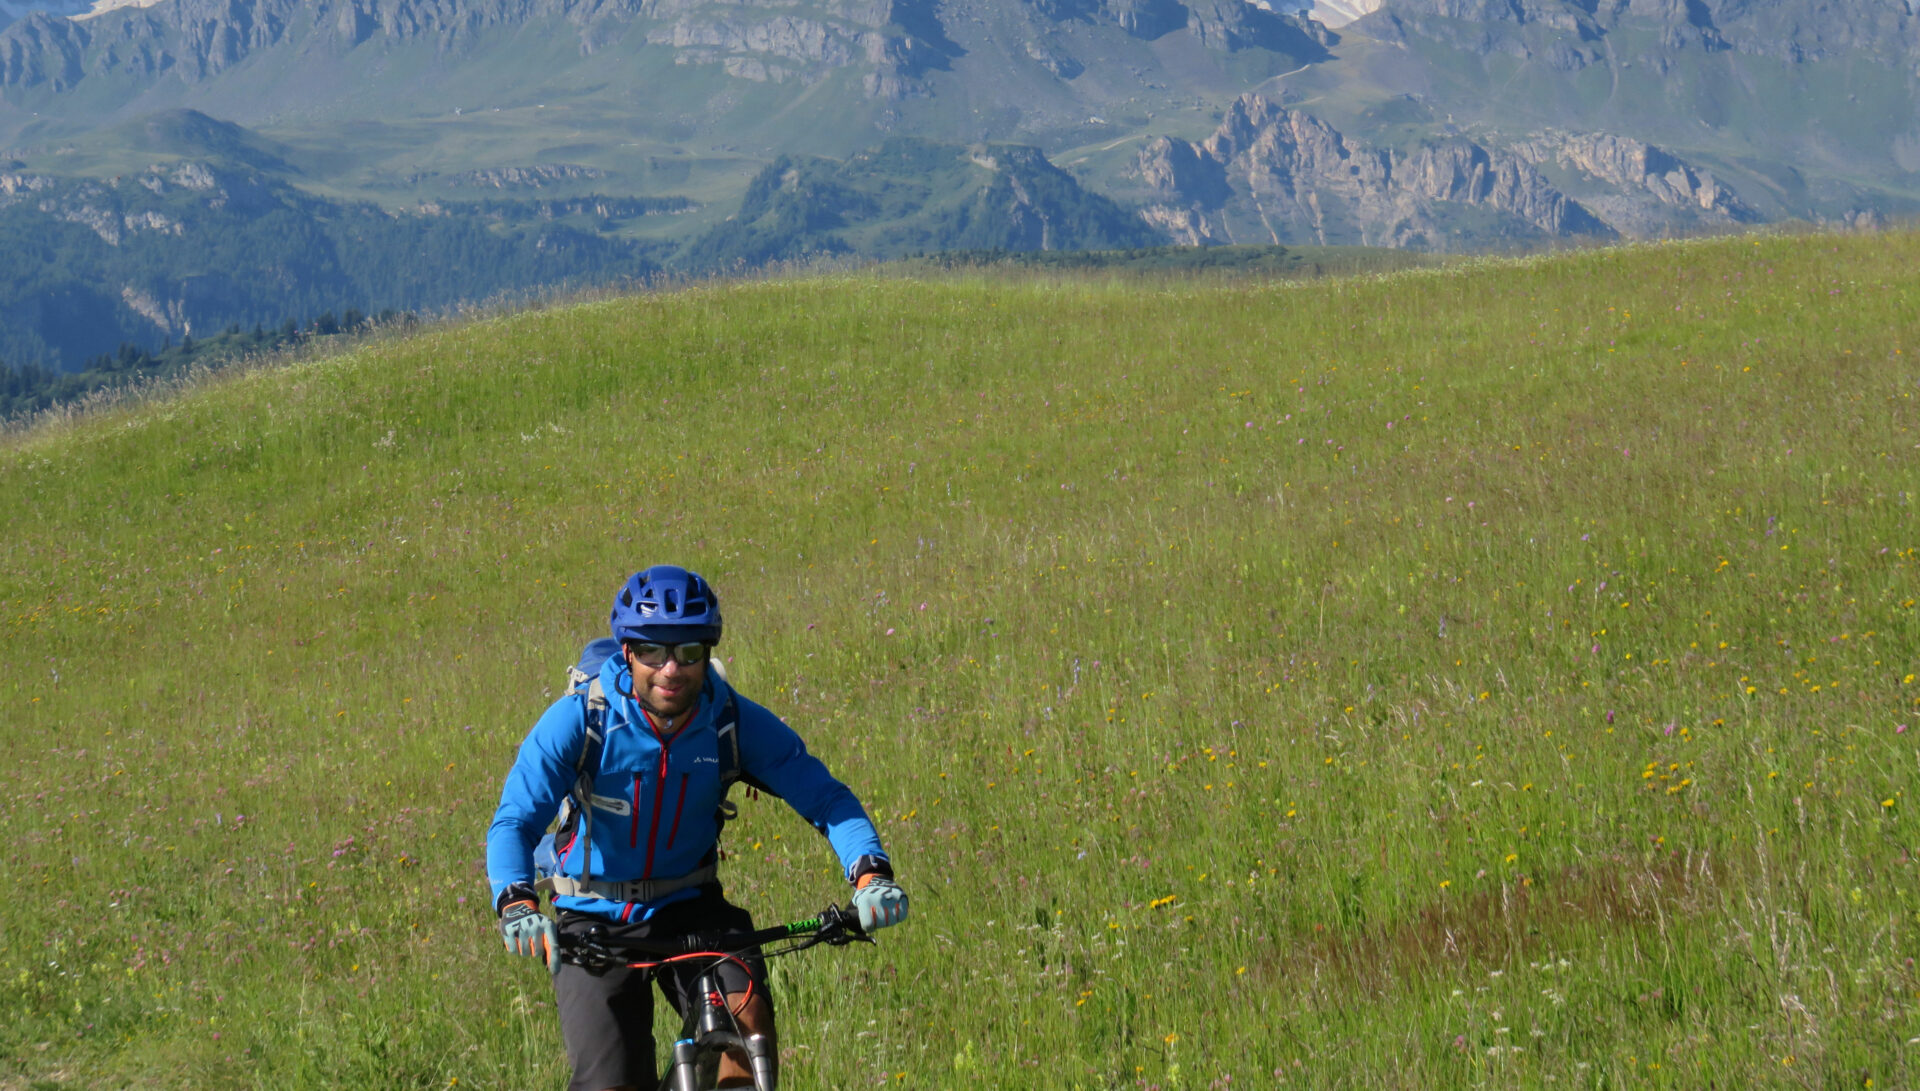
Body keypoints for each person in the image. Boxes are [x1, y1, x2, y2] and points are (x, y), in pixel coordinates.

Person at [486, 564, 909, 1091]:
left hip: (693, 907)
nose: (670, 669)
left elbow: (824, 796)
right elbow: (515, 821)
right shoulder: (582, 720)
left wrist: (871, 874)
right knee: (610, 1081)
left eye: (688, 652)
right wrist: (517, 903)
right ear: (627, 653)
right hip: (594, 915)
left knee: (745, 1028)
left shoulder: (729, 720)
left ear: (708, 654)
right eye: (651, 652)